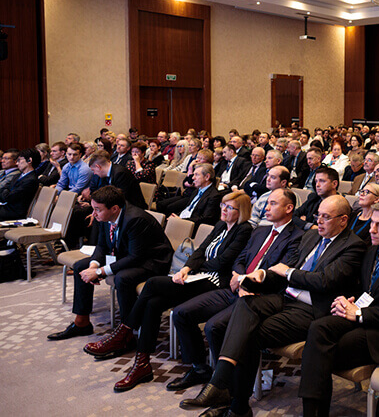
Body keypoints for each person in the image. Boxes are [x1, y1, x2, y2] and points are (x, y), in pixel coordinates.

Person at [179, 196, 366, 416]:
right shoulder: (312, 235)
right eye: (318, 216)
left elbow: (324, 281)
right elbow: (282, 271)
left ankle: (232, 399)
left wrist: (287, 272)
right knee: (247, 302)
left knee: (247, 334)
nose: (320, 221)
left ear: (343, 220)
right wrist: (263, 274)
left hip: (311, 309)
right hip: (285, 297)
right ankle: (223, 385)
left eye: (326, 217)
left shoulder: (354, 246)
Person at [107, 192, 253, 392]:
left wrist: (196, 268)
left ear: (241, 211)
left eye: (229, 207)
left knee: (151, 284)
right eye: (222, 205)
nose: (223, 210)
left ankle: (126, 329)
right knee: (152, 303)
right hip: (199, 276)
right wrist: (186, 269)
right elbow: (200, 251)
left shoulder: (244, 230)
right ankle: (142, 364)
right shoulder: (220, 226)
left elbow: (223, 262)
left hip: (216, 282)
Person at [299, 200, 379, 417]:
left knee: (321, 351)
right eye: (371, 223)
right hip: (363, 318)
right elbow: (365, 291)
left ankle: (314, 413)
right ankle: (311, 412)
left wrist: (359, 313)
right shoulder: (371, 251)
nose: (371, 229)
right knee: (318, 328)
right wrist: (348, 301)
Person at [168, 188, 303, 391]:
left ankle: (226, 385)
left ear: (289, 208)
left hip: (258, 297)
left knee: (213, 327)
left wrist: (245, 283)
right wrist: (239, 277)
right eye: (267, 203)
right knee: (181, 313)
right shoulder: (260, 231)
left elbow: (281, 273)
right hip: (236, 288)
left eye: (273, 204)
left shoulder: (297, 237)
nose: (266, 207)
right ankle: (199, 368)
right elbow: (240, 259)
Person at [47, 186, 173, 343]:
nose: (93, 214)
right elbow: (102, 245)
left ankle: (127, 332)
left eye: (97, 210)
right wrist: (94, 266)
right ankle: (82, 323)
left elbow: (135, 257)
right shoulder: (104, 216)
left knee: (123, 278)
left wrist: (100, 272)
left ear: (114, 208)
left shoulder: (135, 219)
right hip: (126, 255)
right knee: (81, 266)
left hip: (152, 262)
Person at [156, 163, 222, 230]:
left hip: (190, 227)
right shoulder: (197, 191)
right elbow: (187, 209)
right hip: (181, 220)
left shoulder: (214, 196)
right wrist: (176, 217)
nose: (193, 178)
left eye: (197, 175)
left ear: (207, 177)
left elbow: (206, 220)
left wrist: (182, 221)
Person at [0, 148, 40, 220]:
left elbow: (8, 197)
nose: (17, 163)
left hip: (13, 212)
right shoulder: (17, 175)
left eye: (19, 160)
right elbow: (4, 190)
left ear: (29, 160)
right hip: (6, 208)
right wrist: (6, 192)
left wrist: (5, 192)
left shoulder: (31, 180)